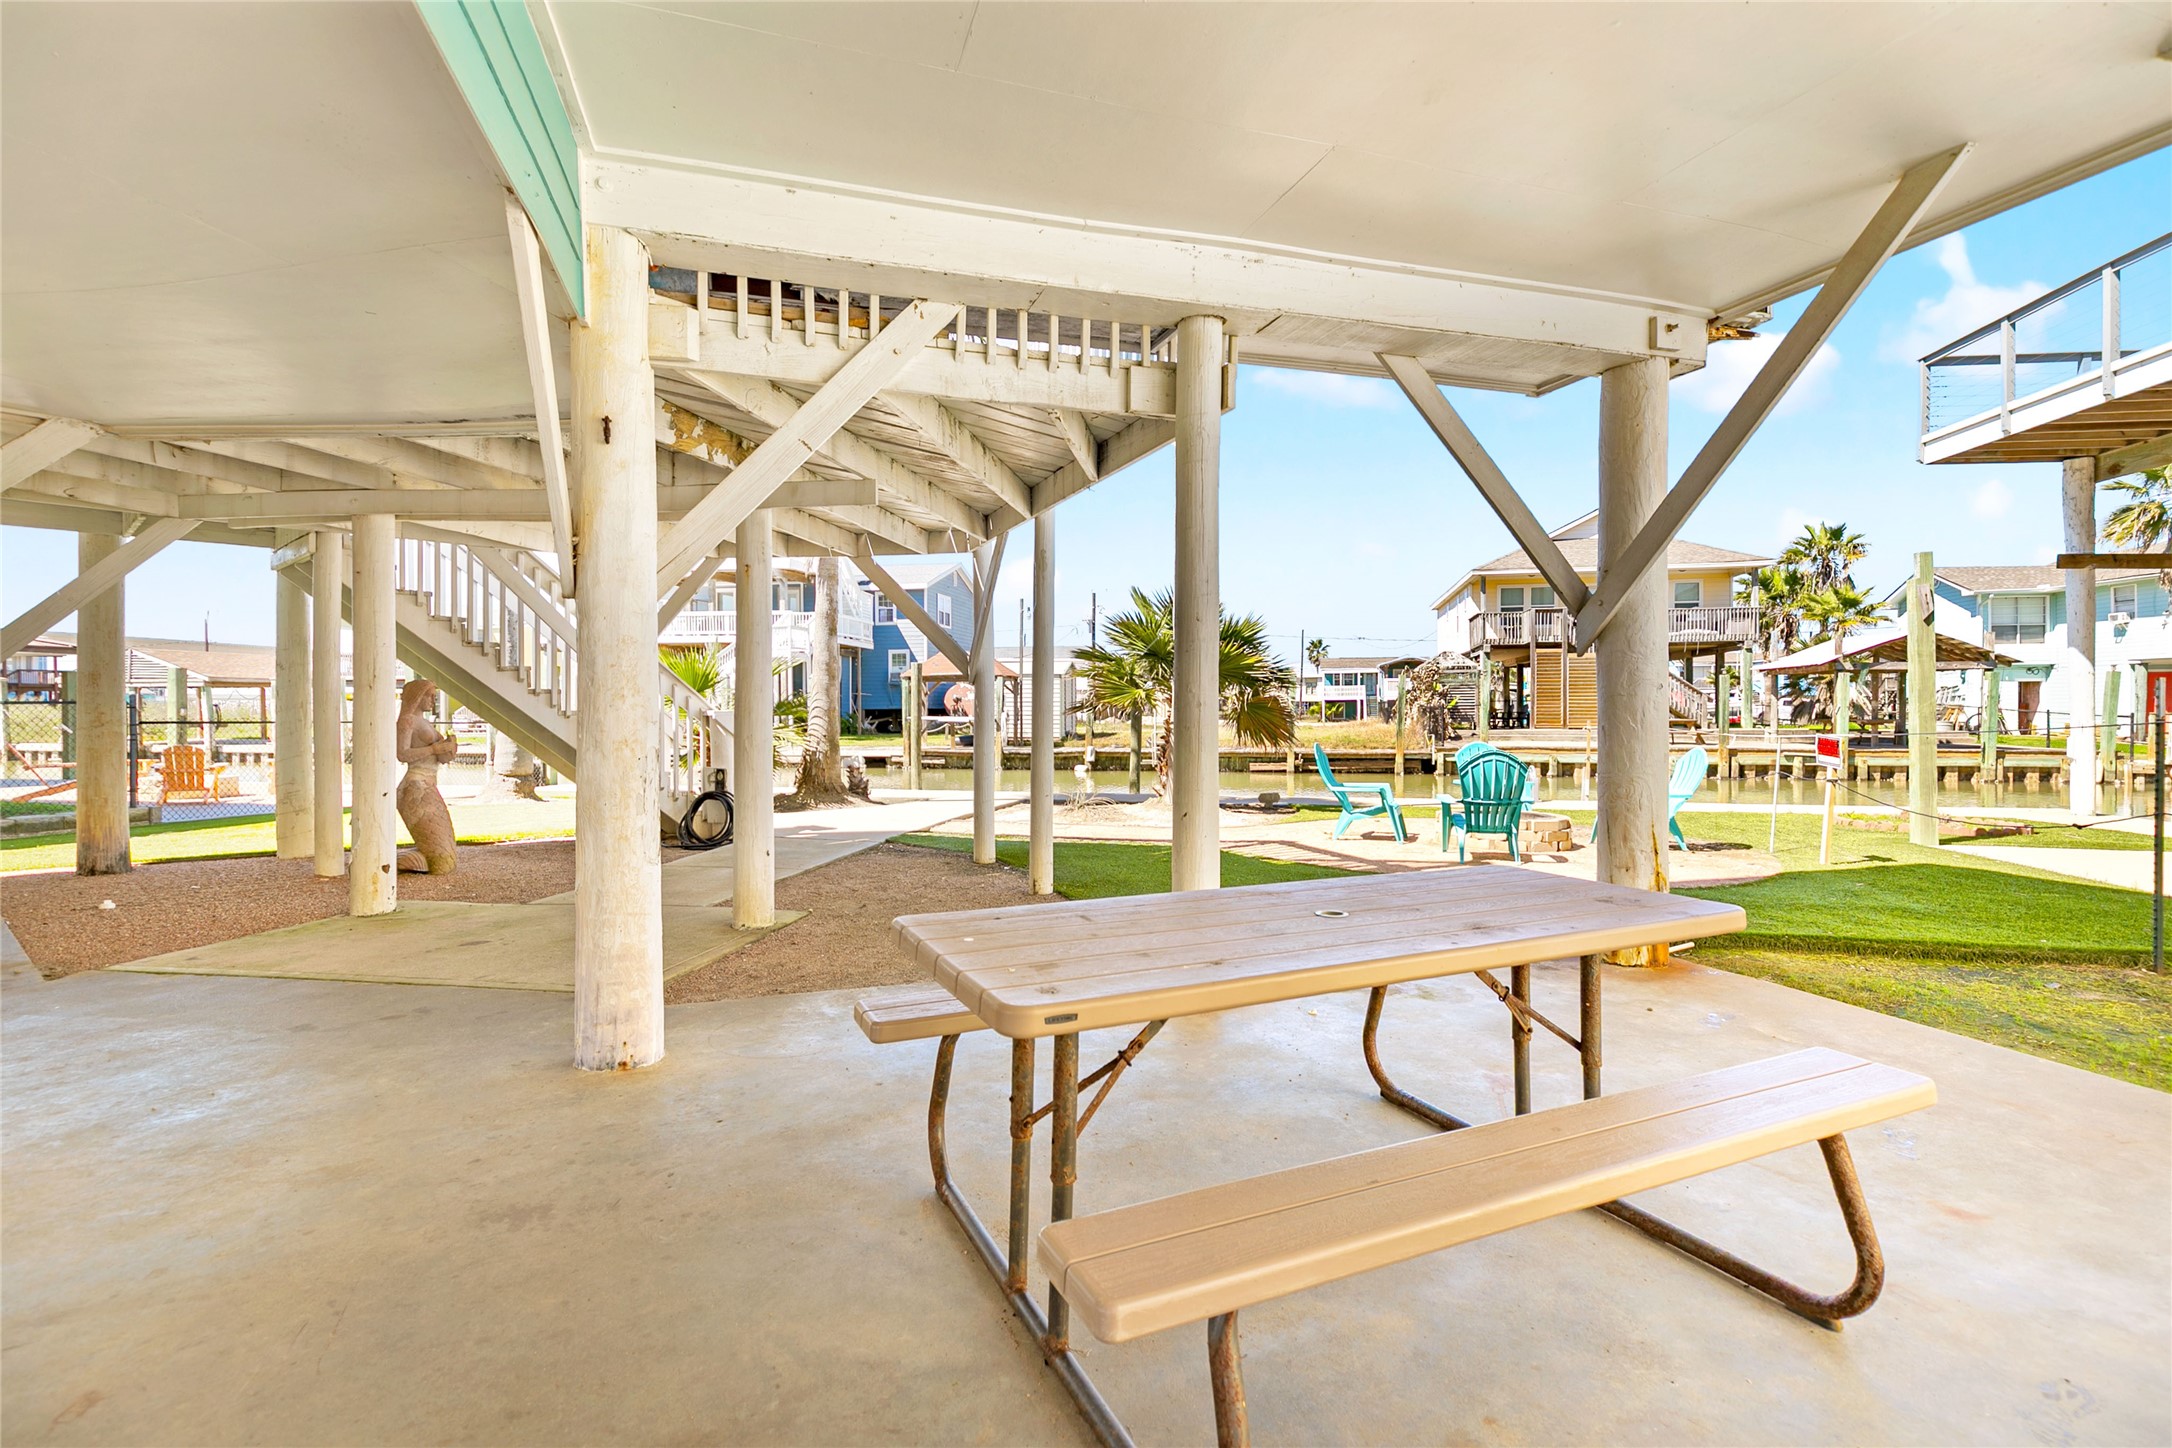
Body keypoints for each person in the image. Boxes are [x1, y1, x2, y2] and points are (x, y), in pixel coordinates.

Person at [394, 678, 459, 873]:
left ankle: (404, 859)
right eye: (429, 695)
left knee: (445, 860)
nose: (433, 700)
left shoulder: (424, 722)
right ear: (417, 697)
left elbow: (441, 757)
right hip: (415, 786)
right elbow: (402, 754)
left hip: (428, 783)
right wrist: (435, 748)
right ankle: (391, 861)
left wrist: (448, 748)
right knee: (442, 864)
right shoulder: (407, 721)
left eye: (434, 695)